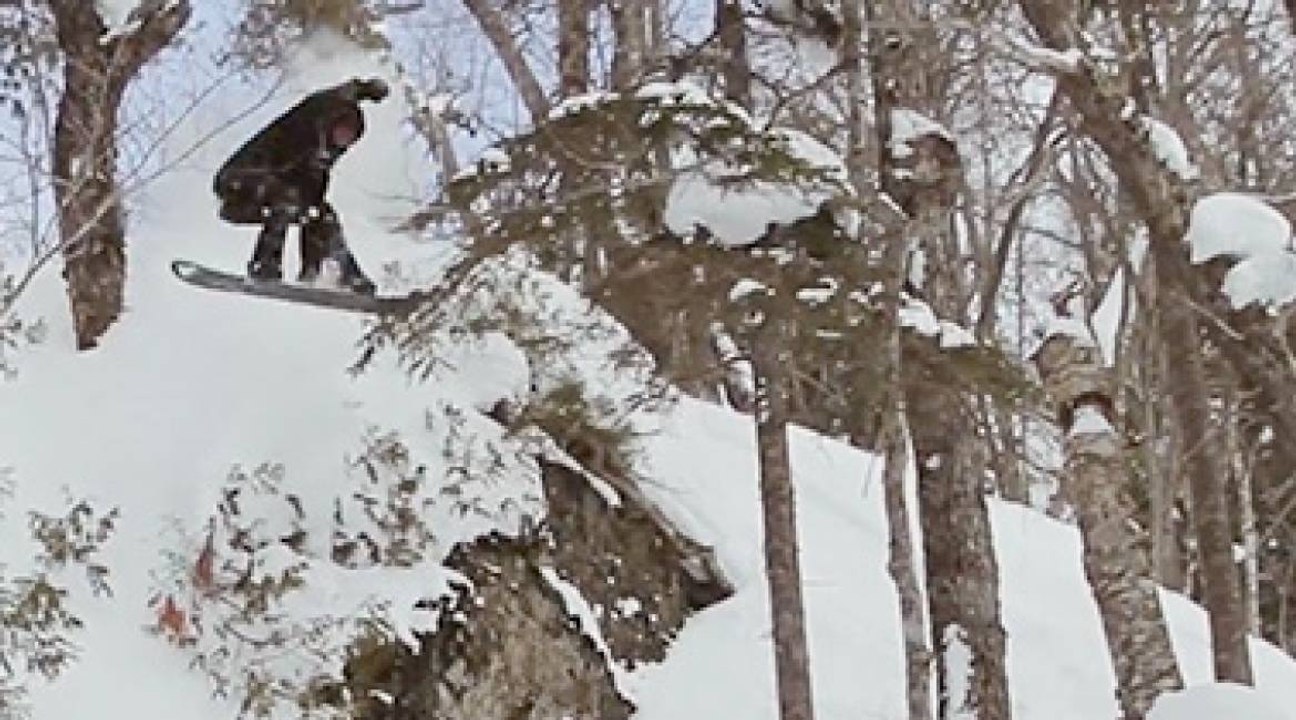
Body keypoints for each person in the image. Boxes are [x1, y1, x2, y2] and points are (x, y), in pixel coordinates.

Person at [212, 77, 390, 294]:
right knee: (288, 200)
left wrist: (311, 263)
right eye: (342, 131)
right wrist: (362, 89)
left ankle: (335, 275)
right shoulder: (308, 123)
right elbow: (324, 101)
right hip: (239, 183)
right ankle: (264, 266)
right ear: (332, 123)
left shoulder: (320, 160)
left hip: (273, 190)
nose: (344, 139)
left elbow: (313, 202)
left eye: (349, 137)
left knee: (321, 214)